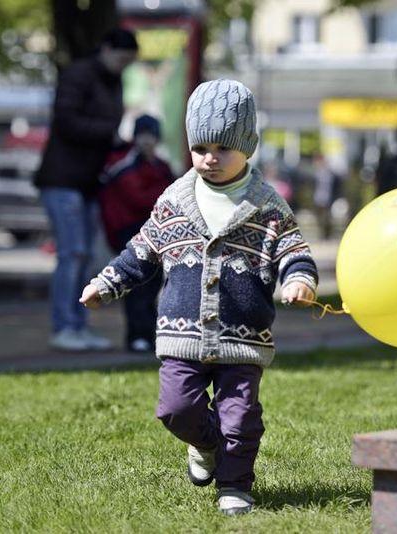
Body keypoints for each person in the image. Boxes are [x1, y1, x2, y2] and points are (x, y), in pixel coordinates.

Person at [79, 79, 318, 515]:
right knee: (176, 409)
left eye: (223, 148)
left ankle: (235, 484)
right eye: (200, 147)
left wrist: (298, 279)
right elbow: (143, 249)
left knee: (239, 416)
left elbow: (293, 250)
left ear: (248, 146)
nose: (210, 158)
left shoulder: (267, 206)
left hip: (242, 337)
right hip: (181, 333)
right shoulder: (175, 199)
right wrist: (107, 282)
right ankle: (205, 445)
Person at [34, 27, 138, 352]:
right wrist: (112, 132)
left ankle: (78, 326)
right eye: (121, 59)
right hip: (63, 179)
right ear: (106, 49)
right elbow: (66, 120)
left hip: (90, 182)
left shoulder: (112, 80)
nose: (123, 66)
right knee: (72, 253)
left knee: (88, 256)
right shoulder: (79, 75)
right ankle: (64, 326)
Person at [98, 114, 174, 352]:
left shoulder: (160, 166)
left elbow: (173, 195)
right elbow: (139, 198)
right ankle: (136, 336)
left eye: (151, 136)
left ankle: (148, 334)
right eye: (143, 135)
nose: (147, 141)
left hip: (155, 232)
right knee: (136, 285)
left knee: (153, 285)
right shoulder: (123, 163)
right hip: (129, 230)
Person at [311, 152, 341, 239]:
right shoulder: (316, 173)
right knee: (319, 217)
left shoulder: (330, 173)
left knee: (327, 217)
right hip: (318, 198)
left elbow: (336, 186)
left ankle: (327, 234)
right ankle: (322, 233)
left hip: (328, 198)